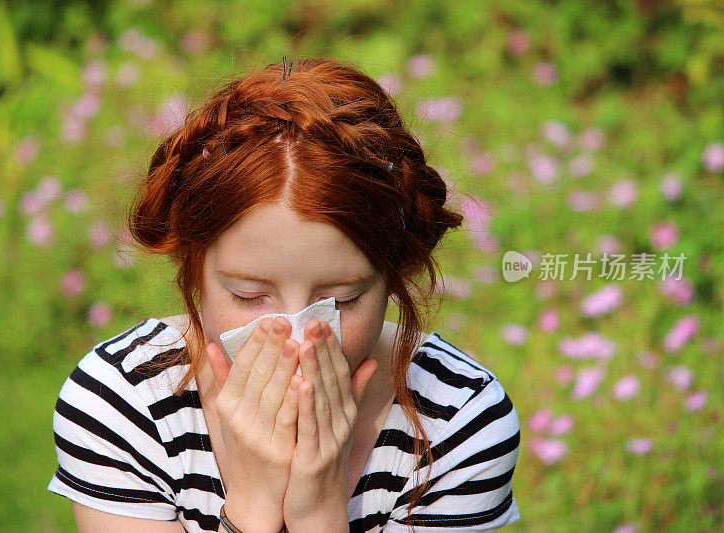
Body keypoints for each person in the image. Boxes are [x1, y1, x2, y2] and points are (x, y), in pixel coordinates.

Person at [47, 57, 522, 532]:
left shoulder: (460, 419)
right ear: (194, 270)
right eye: (250, 295)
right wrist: (252, 508)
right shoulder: (122, 401)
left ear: (392, 276)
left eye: (340, 300)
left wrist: (318, 514)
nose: (298, 338)